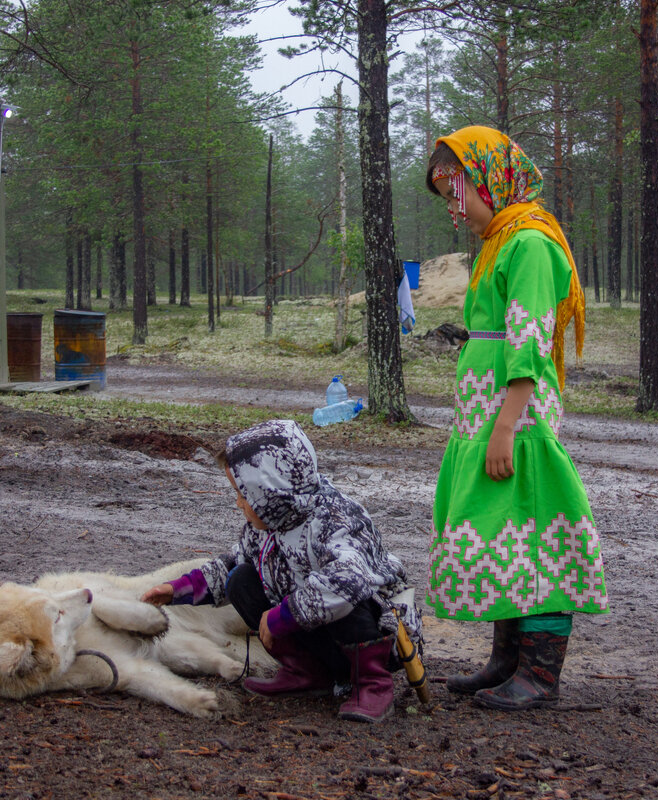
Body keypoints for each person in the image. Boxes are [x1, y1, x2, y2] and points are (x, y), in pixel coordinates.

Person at [424, 125, 608, 710]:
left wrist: (506, 424)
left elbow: (529, 338)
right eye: (446, 195)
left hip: (515, 420)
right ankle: (507, 661)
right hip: (489, 417)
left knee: (536, 529)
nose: (455, 208)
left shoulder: (529, 243)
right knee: (504, 529)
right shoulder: (500, 242)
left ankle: (540, 676)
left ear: (489, 179)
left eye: (457, 190)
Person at [142, 419, 422, 723]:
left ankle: (372, 684)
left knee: (346, 598)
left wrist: (283, 615)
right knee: (241, 580)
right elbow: (234, 563)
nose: (238, 504)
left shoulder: (335, 518)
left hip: (377, 632)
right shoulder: (267, 524)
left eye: (243, 494)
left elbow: (347, 583)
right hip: (321, 634)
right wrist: (178, 590)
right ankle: (308, 672)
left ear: (271, 490)